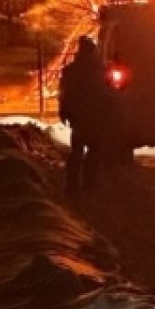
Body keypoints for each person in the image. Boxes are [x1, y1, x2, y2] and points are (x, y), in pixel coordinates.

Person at [59, 36, 112, 193]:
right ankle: (90, 184)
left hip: (79, 116)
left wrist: (64, 111)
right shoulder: (100, 71)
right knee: (94, 151)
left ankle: (72, 185)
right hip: (95, 116)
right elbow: (107, 94)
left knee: (77, 151)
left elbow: (65, 94)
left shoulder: (71, 71)